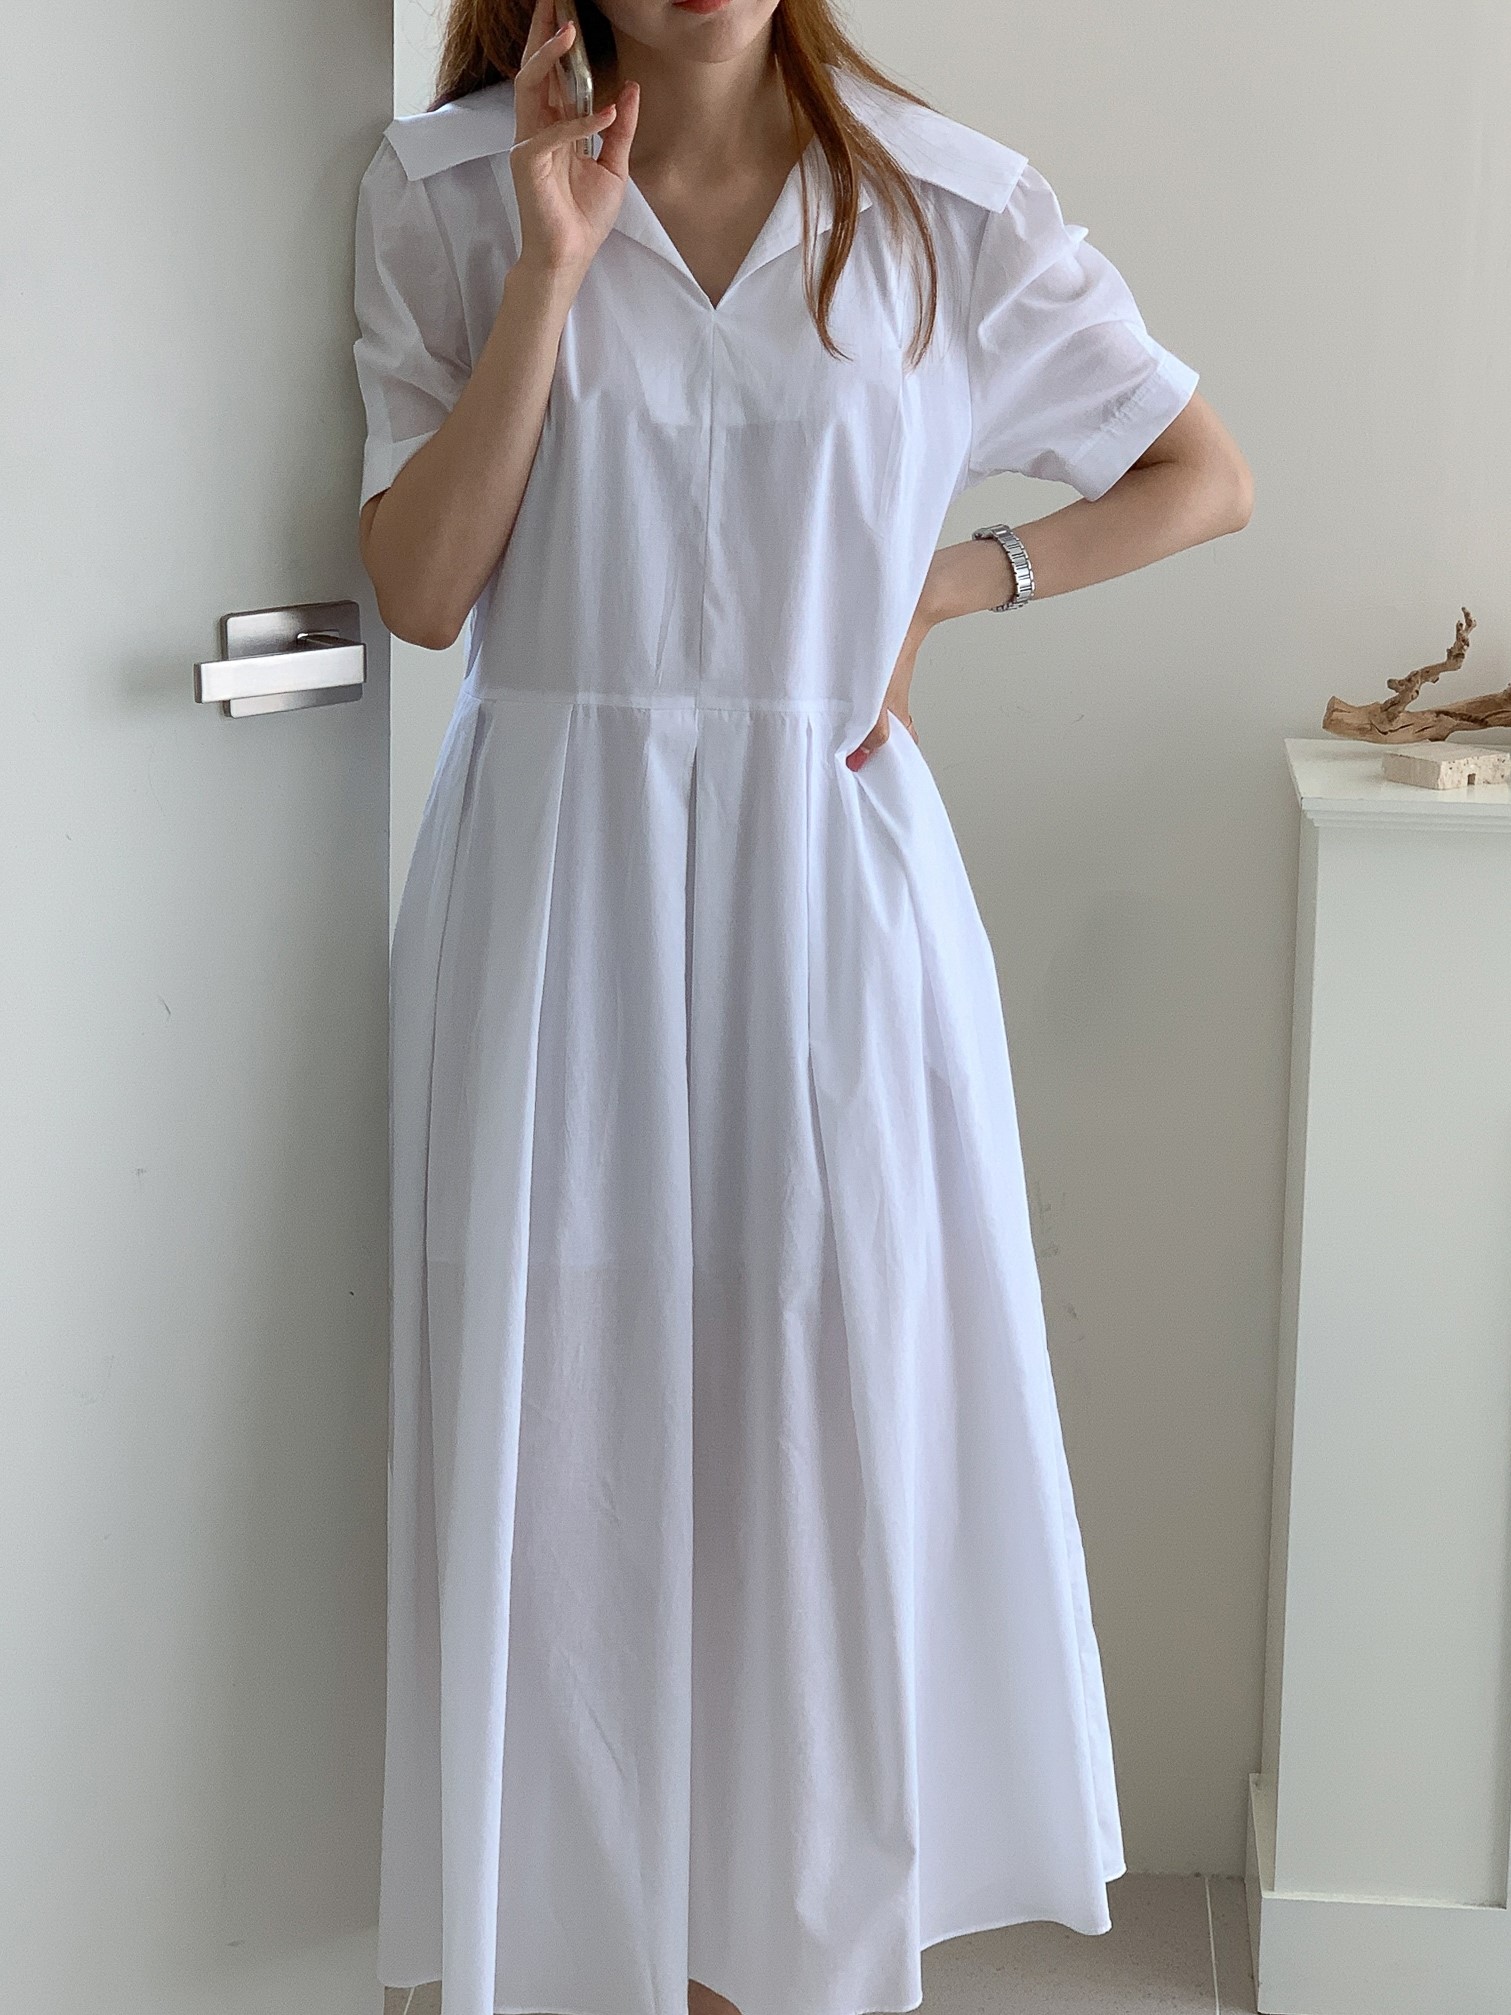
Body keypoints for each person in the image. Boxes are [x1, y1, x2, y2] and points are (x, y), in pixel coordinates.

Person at [353, 4, 1253, 2014]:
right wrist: (552, 270)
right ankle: (594, 1959)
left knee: (818, 1435)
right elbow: (421, 591)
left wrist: (951, 583)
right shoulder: (444, 195)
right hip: (557, 905)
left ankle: (781, 1968)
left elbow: (1201, 475)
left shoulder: (946, 212)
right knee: (570, 1434)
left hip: (830, 902)